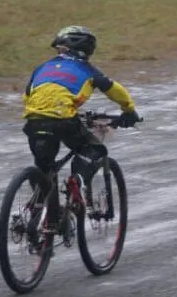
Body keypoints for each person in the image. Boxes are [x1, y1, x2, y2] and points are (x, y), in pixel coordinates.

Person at [22, 25, 141, 235]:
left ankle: (42, 214)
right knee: (94, 149)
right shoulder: (88, 70)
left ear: (63, 48)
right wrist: (129, 111)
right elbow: (114, 90)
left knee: (44, 167)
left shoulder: (41, 68)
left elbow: (28, 94)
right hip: (63, 120)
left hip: (33, 121)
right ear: (87, 50)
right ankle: (77, 181)